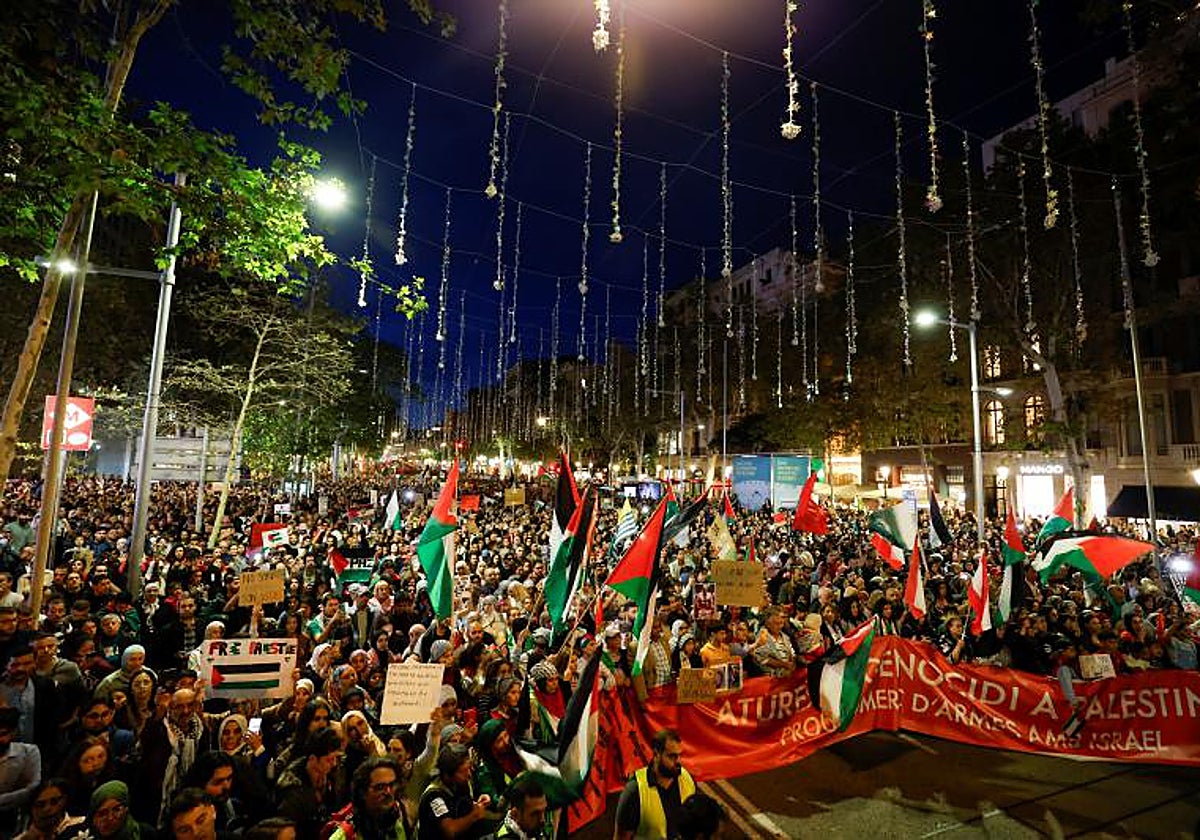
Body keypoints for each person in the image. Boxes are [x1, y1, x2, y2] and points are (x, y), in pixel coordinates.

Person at [613, 728, 696, 840]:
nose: (678, 761)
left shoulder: (686, 779)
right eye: (672, 756)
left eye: (679, 755)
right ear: (656, 754)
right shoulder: (635, 791)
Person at [276, 727, 343, 840]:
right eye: (329, 760)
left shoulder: (330, 775)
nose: (334, 764)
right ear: (313, 759)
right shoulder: (292, 791)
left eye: (336, 758)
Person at [416, 743, 493, 840]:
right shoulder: (434, 795)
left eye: (469, 768)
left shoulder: (460, 783)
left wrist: (478, 804)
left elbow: (463, 807)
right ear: (447, 774)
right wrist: (475, 814)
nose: (469, 774)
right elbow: (450, 831)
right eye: (463, 771)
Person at [324, 756, 412, 840]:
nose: (388, 792)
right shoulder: (345, 835)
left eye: (392, 785)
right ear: (362, 792)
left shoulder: (399, 823)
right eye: (380, 787)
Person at [57, 780, 159, 840]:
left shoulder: (144, 834)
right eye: (102, 813)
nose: (110, 818)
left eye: (117, 810)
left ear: (126, 809)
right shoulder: (74, 835)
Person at [0, 706, 40, 834]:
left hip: (15, 819)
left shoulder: (29, 752)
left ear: (14, 732)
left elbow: (32, 789)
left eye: (2, 734)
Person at [482, 775, 548, 840]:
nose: (542, 820)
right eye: (535, 814)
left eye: (544, 811)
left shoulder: (529, 831)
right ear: (515, 813)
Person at [16, 778, 82, 840]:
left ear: (64, 800)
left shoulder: (82, 825)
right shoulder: (24, 838)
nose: (47, 808)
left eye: (54, 802)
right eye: (40, 805)